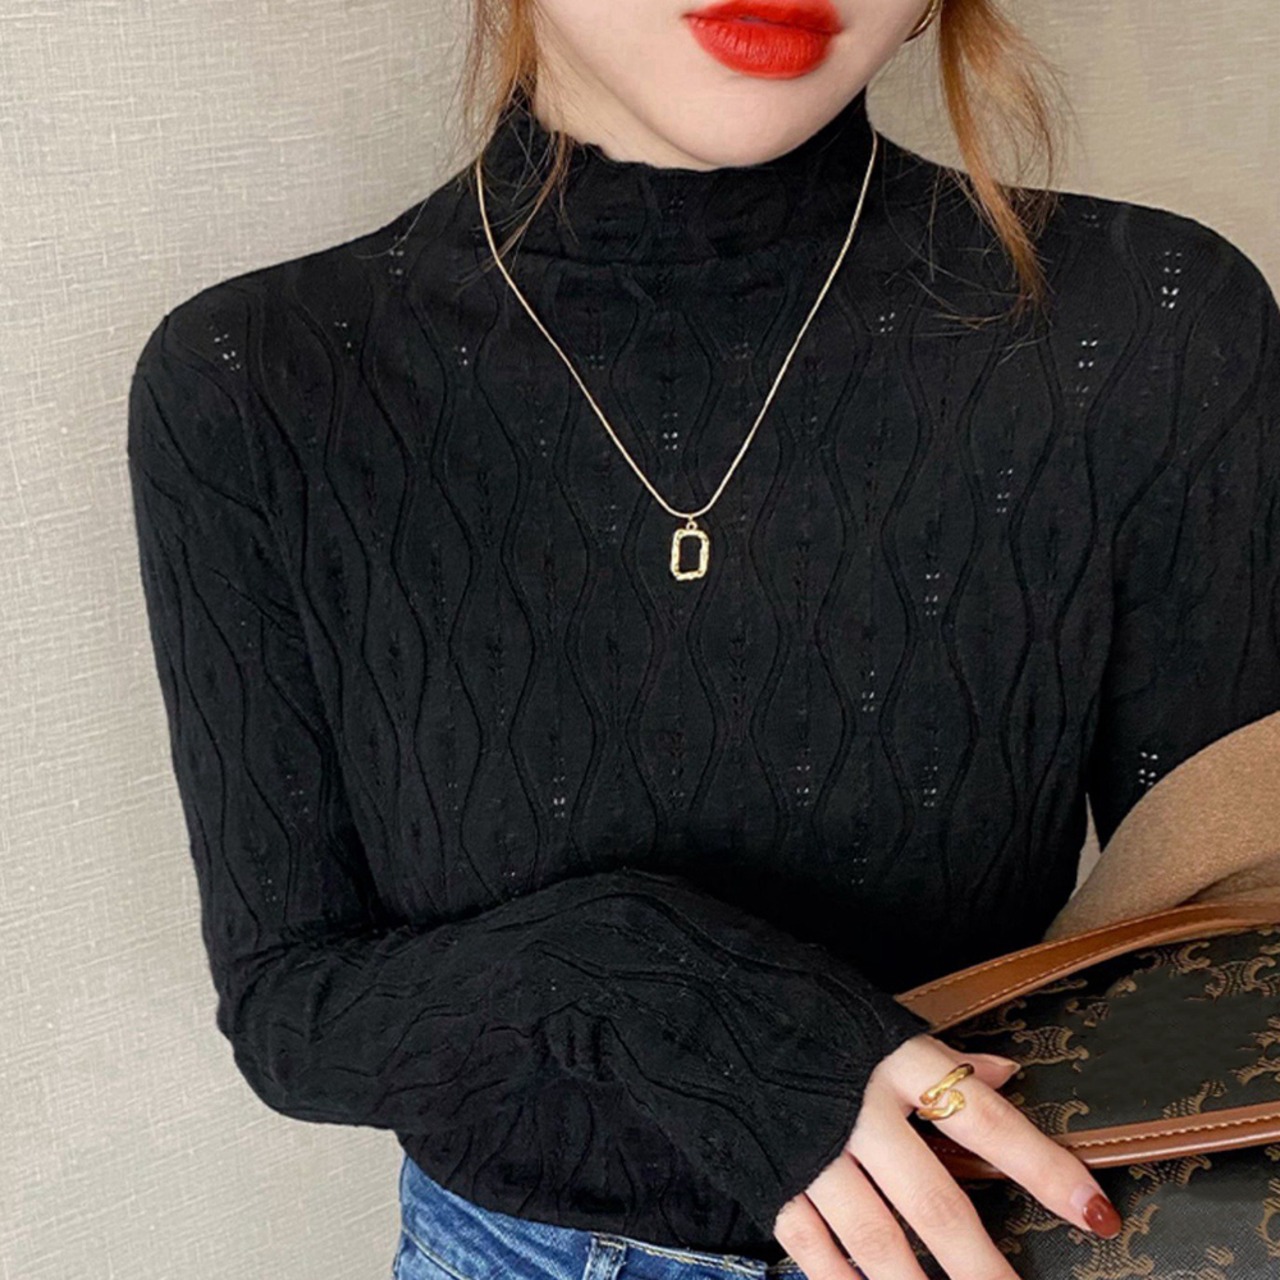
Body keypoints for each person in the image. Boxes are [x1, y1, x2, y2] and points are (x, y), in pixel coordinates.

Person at [124, 0, 1280, 1276]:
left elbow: (1232, 925)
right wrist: (636, 975)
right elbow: (292, 1010)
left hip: (1000, 1236)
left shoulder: (1144, 321)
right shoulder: (261, 376)